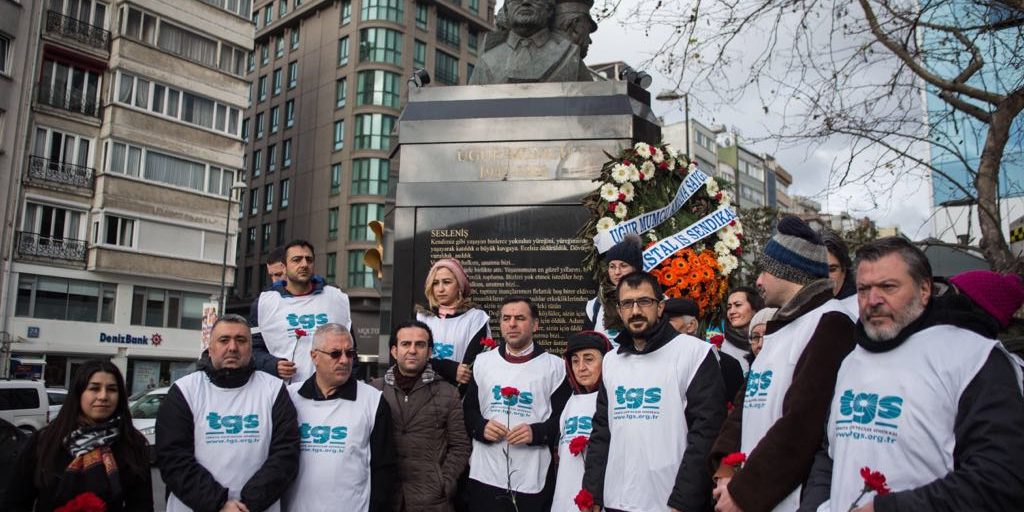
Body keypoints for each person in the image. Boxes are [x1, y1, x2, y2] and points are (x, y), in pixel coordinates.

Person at [799, 237, 1024, 511]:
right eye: (864, 289)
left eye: (888, 287)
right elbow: (830, 456)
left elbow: (999, 478)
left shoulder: (974, 358)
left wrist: (886, 509)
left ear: (924, 289)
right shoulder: (850, 361)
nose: (873, 300)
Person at [710, 215, 856, 512]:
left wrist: (743, 492)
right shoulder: (781, 326)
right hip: (746, 491)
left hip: (785, 498)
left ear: (788, 272)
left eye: (765, 271)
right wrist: (726, 470)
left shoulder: (830, 321)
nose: (758, 281)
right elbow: (744, 406)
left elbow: (801, 424)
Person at [584, 271, 726, 512]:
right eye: (627, 303)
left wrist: (685, 500)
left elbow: (706, 432)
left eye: (644, 301)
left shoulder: (694, 353)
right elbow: (601, 432)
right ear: (619, 310)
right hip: (616, 500)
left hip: (669, 502)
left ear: (660, 307)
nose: (635, 311)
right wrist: (593, 494)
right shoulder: (611, 361)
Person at [157, 314, 300, 512]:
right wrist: (219, 504)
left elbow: (286, 455)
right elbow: (173, 458)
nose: (232, 347)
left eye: (241, 340)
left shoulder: (273, 390)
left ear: (251, 347)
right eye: (224, 340)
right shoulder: (184, 391)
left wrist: (247, 504)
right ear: (210, 347)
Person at [463, 296, 571, 511]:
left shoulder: (555, 367)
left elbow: (565, 419)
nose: (512, 324)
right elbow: (469, 410)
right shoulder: (483, 362)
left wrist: (537, 432)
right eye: (506, 318)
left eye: (520, 318)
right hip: (485, 474)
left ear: (535, 325)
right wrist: (481, 427)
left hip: (531, 478)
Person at [3, 360, 152, 511]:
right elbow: (15, 501)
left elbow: (142, 506)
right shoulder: (45, 441)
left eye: (112, 389)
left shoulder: (132, 444)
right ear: (78, 393)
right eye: (94, 388)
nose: (103, 396)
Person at [286, 323, 396, 511]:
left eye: (350, 353)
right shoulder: (290, 397)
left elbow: (384, 469)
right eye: (335, 354)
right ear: (314, 356)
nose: (344, 360)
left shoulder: (372, 400)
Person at [371, 320, 471, 512]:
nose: (412, 350)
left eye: (420, 344)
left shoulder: (448, 393)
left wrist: (444, 483)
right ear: (394, 351)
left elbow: (460, 446)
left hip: (431, 500)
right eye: (405, 344)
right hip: (384, 497)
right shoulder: (374, 390)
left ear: (430, 352)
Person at [251, 239, 353, 382]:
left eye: (309, 259)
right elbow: (252, 349)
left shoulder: (336, 298)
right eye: (297, 260)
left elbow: (351, 351)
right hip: (284, 391)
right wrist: (273, 365)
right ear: (284, 267)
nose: (304, 264)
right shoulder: (264, 303)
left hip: (333, 391)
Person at [551, 331, 611, 512]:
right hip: (564, 498)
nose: (581, 367)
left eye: (589, 359)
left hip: (597, 501)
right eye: (575, 361)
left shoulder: (613, 401)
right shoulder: (570, 401)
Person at [468, 0, 591, 85]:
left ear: (550, 10)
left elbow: (592, 106)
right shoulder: (487, 60)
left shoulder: (569, 56)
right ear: (507, 9)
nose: (525, 2)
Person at [417, 258, 492, 387]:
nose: (440, 289)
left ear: (459, 286)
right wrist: (449, 368)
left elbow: (468, 371)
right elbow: (413, 360)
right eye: (435, 283)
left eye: (447, 282)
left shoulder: (476, 318)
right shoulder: (421, 317)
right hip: (423, 392)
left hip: (458, 395)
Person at [665, 297, 745, 405]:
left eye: (668, 322)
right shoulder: (656, 360)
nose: (661, 327)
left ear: (691, 325)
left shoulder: (726, 364)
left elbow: (737, 409)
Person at [584, 234, 643, 343]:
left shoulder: (654, 301)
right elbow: (587, 343)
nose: (617, 272)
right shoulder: (595, 305)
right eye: (612, 266)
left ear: (636, 269)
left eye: (623, 266)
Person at [722, 286, 765, 374]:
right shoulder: (721, 343)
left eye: (738, 305)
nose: (731, 311)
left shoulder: (769, 339)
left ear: (755, 308)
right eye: (729, 307)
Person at [820, 229, 857, 320]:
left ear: (844, 271)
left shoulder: (862, 309)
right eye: (818, 269)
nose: (825, 277)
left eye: (832, 270)